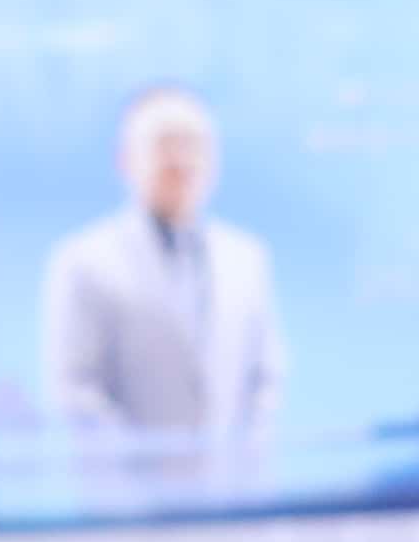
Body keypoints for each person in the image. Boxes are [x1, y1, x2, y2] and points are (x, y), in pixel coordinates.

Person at [37, 85, 280, 454]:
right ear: (125, 159)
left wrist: (243, 463)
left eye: (194, 144)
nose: (181, 159)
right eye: (166, 144)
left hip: (233, 483)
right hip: (130, 485)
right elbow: (75, 390)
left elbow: (265, 378)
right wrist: (141, 471)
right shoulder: (83, 262)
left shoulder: (247, 259)